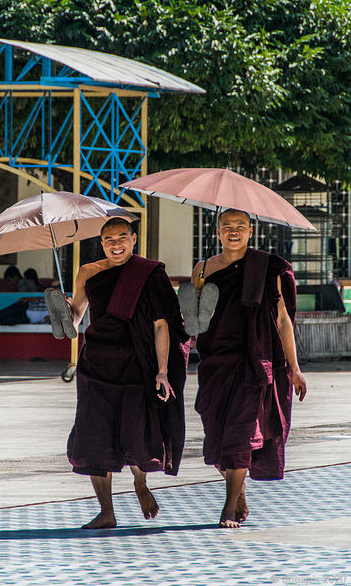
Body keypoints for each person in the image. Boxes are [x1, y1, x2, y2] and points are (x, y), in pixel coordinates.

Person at [44, 217, 188, 529]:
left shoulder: (148, 273)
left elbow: (161, 324)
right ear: (102, 242)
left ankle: (140, 483)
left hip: (137, 364)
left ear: (133, 239)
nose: (116, 244)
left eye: (122, 237)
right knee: (93, 437)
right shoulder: (88, 272)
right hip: (96, 364)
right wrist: (64, 310)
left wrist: (162, 372)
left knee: (135, 432)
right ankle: (106, 511)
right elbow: (77, 317)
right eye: (109, 239)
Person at [179, 208, 307, 529]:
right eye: (227, 227)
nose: (233, 231)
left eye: (240, 226)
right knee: (216, 438)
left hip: (254, 362)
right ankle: (240, 491)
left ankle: (227, 505)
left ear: (251, 232)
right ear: (218, 232)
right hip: (215, 364)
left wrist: (294, 367)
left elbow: (282, 319)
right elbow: (195, 321)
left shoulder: (267, 266)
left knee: (240, 434)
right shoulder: (204, 269)